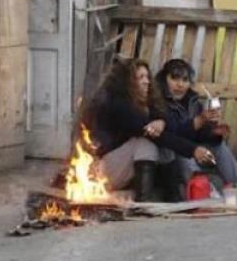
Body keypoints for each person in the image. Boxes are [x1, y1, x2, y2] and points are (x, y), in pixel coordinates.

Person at [82, 58, 210, 202]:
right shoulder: (118, 105)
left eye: (147, 76)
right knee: (145, 144)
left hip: (121, 172)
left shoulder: (148, 104)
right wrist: (193, 150)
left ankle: (173, 197)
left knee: (165, 147)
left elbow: (173, 130)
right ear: (126, 82)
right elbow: (152, 134)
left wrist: (163, 121)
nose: (147, 81)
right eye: (140, 77)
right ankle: (143, 203)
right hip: (101, 173)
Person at [155, 58, 237, 205]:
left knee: (218, 147)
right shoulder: (158, 101)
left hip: (192, 149)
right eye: (174, 78)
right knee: (182, 149)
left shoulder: (192, 101)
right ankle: (205, 191)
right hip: (170, 155)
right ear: (164, 78)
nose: (180, 84)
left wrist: (213, 133)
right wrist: (199, 121)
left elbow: (198, 134)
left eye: (185, 80)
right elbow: (172, 135)